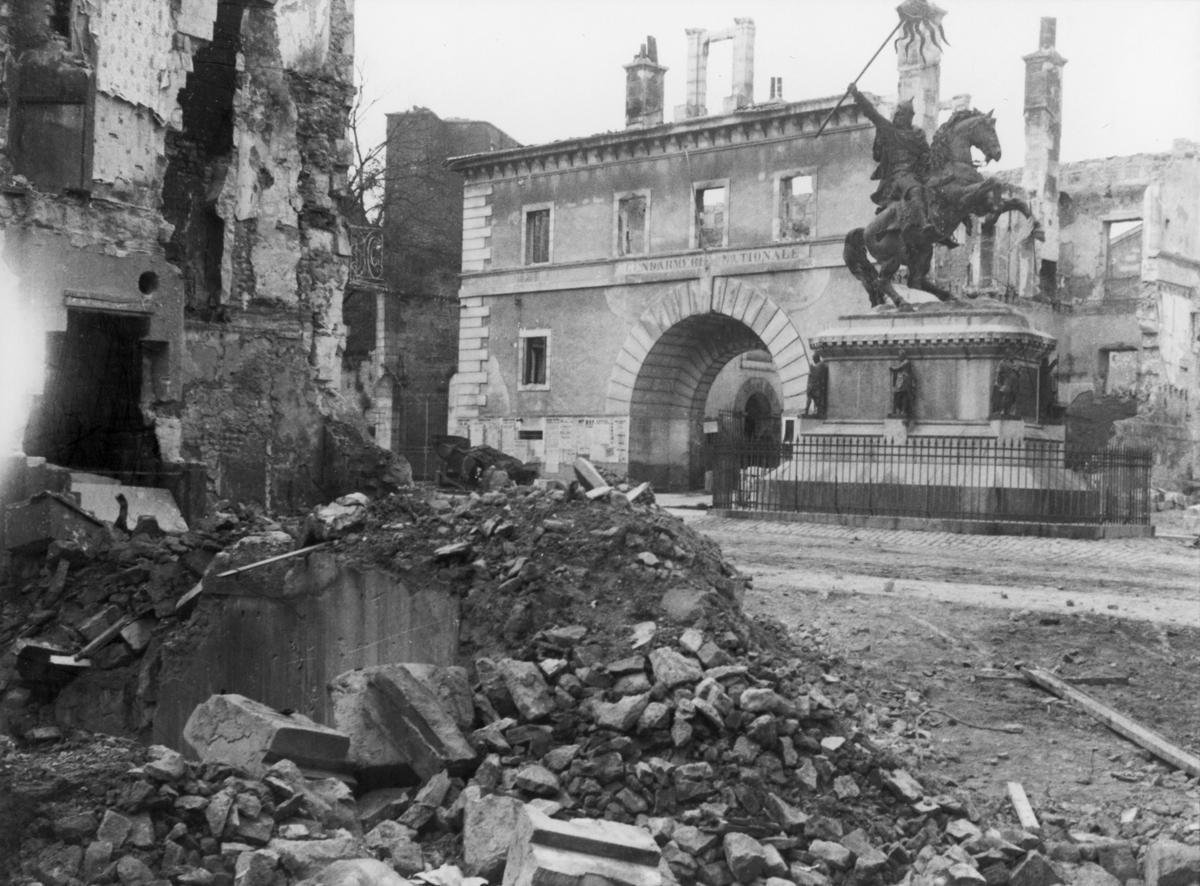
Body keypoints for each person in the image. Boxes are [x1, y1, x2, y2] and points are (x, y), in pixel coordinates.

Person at [848, 83, 936, 240]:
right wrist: (856, 94)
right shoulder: (889, 131)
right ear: (897, 116)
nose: (906, 119)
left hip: (916, 172)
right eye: (903, 115)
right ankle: (925, 223)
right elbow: (871, 113)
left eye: (910, 116)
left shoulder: (918, 134)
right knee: (915, 189)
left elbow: (926, 153)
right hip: (898, 175)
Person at [890, 350, 916, 421]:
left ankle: (903, 411)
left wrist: (892, 368)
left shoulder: (906, 362)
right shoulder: (900, 362)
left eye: (899, 355)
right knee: (896, 395)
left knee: (904, 395)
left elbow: (898, 368)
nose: (898, 357)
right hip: (899, 381)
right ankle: (894, 411)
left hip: (905, 380)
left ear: (903, 355)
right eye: (898, 355)